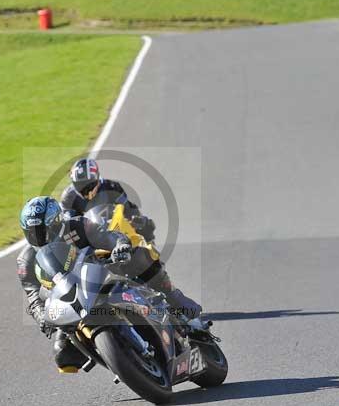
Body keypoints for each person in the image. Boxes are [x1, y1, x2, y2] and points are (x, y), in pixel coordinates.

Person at [16, 196, 203, 372]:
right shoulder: (26, 260)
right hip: (71, 300)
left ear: (56, 222)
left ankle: (174, 297)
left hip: (103, 272)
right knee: (63, 354)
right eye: (33, 232)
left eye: (43, 229)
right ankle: (116, 358)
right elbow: (33, 295)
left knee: (140, 256)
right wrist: (43, 319)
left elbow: (107, 236)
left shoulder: (78, 225)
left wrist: (120, 246)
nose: (40, 236)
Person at [60, 158, 156, 241]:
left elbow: (129, 209)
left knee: (146, 225)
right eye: (79, 185)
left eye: (88, 185)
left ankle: (153, 257)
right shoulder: (68, 197)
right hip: (87, 237)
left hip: (116, 230)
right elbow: (66, 223)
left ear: (97, 179)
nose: (84, 189)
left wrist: (136, 219)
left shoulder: (112, 187)